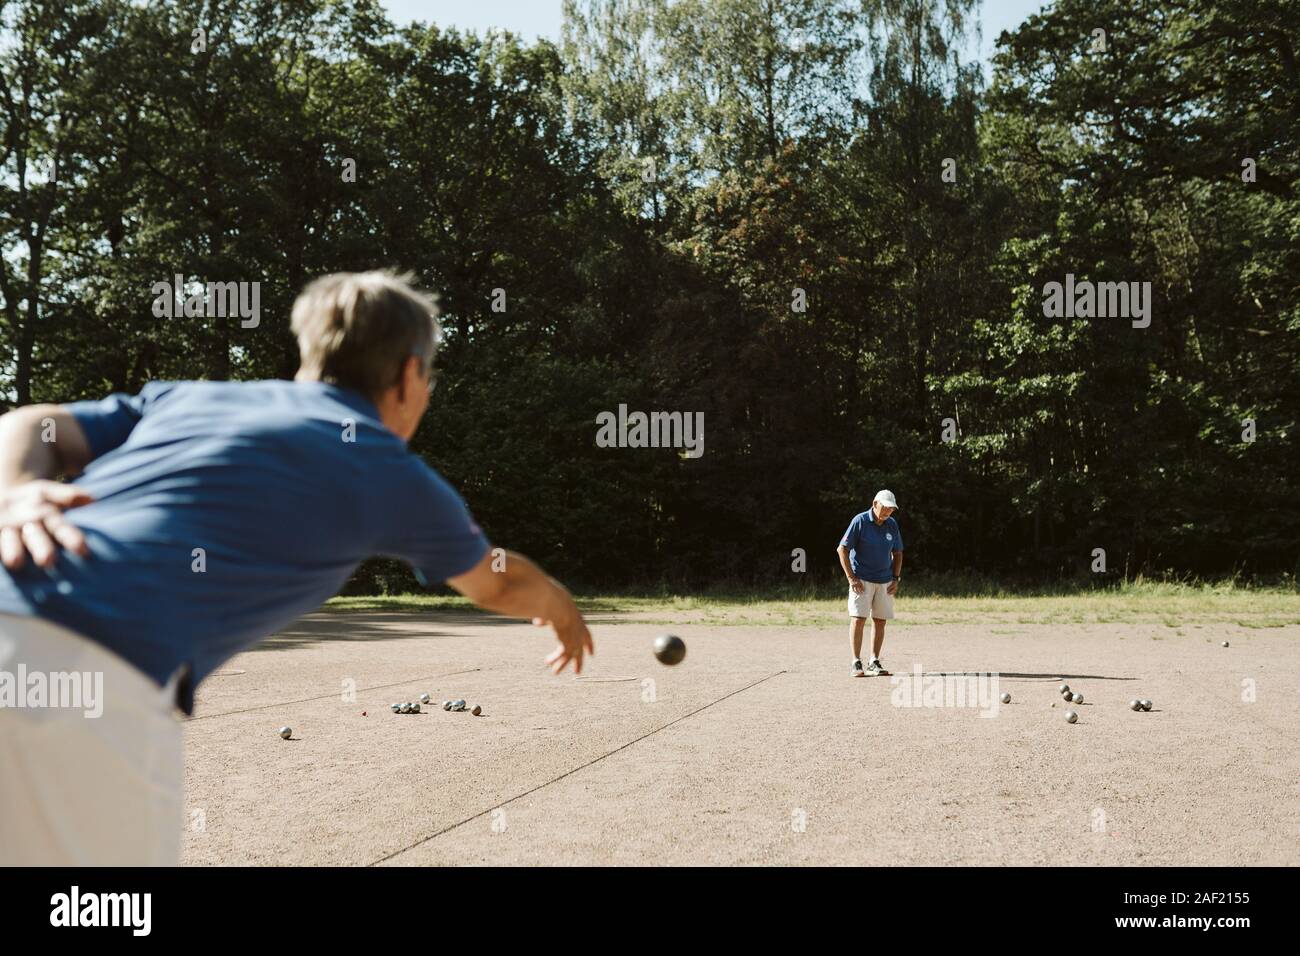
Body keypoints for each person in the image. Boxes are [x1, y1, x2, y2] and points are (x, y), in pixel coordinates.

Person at [0, 270, 593, 865]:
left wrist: (15, 490)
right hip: (85, 671)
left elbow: (30, 424)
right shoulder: (385, 467)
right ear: (411, 373)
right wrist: (559, 604)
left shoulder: (198, 397)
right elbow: (497, 581)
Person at [836, 490, 903, 677]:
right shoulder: (860, 521)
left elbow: (898, 553)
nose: (888, 511)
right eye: (885, 507)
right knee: (858, 618)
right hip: (862, 580)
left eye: (891, 508)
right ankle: (856, 662)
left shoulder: (891, 524)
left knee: (880, 621)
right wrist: (851, 578)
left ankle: (874, 661)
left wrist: (896, 578)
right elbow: (842, 549)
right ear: (875, 504)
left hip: (885, 581)